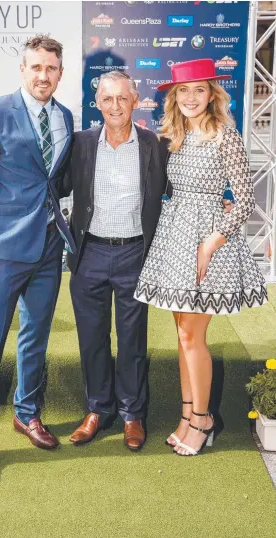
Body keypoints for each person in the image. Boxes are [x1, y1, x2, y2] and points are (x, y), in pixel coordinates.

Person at [134, 59, 268, 456]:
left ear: (212, 94)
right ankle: (188, 414)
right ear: (174, 96)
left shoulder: (225, 133)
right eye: (184, 91)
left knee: (193, 336)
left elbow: (244, 202)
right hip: (175, 238)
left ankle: (202, 420)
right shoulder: (174, 134)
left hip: (208, 241)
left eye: (199, 90)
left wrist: (211, 243)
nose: (191, 98)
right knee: (182, 335)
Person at [0, 34, 75, 483]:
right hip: (2, 251)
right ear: (23, 70)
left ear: (60, 73)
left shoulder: (64, 116)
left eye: (51, 68)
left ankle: (27, 414)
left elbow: (56, 181)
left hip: (49, 248)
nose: (43, 75)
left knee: (36, 337)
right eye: (36, 67)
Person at [61, 71, 170, 451]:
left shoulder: (155, 145)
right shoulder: (80, 143)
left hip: (134, 254)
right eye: (107, 99)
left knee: (132, 341)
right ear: (98, 103)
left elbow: (178, 188)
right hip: (88, 251)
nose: (115, 106)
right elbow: (52, 185)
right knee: (91, 338)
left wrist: (218, 198)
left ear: (135, 99)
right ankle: (97, 410)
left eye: (122, 98)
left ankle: (133, 414)